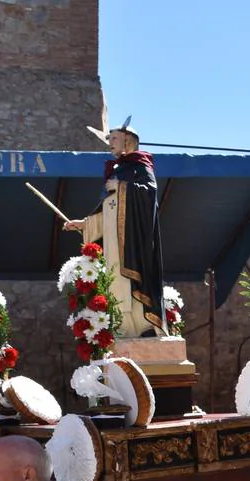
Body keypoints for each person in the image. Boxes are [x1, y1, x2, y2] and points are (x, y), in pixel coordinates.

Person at [63, 122, 164, 337]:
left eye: (114, 139)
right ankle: (123, 327)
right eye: (109, 139)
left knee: (132, 283)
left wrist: (120, 187)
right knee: (116, 282)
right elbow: (107, 210)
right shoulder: (115, 171)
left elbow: (149, 193)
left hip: (133, 241)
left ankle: (144, 326)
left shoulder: (140, 165)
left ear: (128, 141)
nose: (110, 143)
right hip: (113, 244)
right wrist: (85, 223)